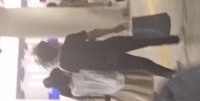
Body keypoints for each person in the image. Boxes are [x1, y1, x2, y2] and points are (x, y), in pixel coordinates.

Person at [36, 24, 181, 77]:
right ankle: (172, 39)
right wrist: (113, 29)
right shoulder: (70, 40)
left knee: (146, 65)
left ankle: (174, 75)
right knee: (143, 41)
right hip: (111, 46)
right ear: (51, 47)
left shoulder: (65, 66)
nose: (52, 41)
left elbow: (86, 71)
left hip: (111, 65)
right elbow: (93, 33)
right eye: (49, 43)